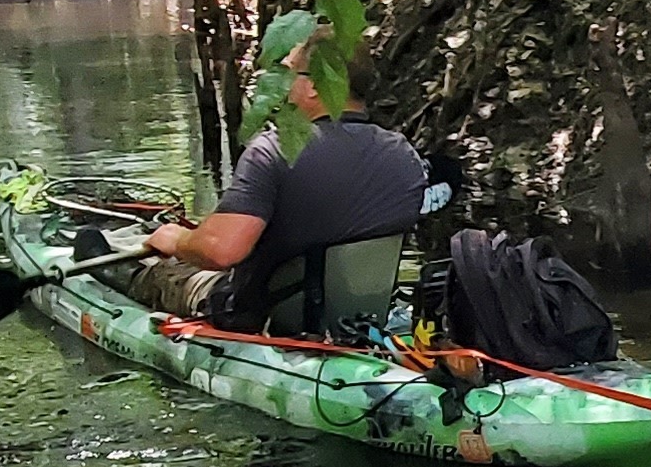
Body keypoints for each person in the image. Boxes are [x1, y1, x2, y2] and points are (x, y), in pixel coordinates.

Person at [126, 43, 426, 330]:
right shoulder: (403, 154)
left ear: (313, 86)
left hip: (262, 314)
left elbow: (221, 252)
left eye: (290, 73)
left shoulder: (276, 149)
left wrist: (177, 240)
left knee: (150, 272)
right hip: (362, 314)